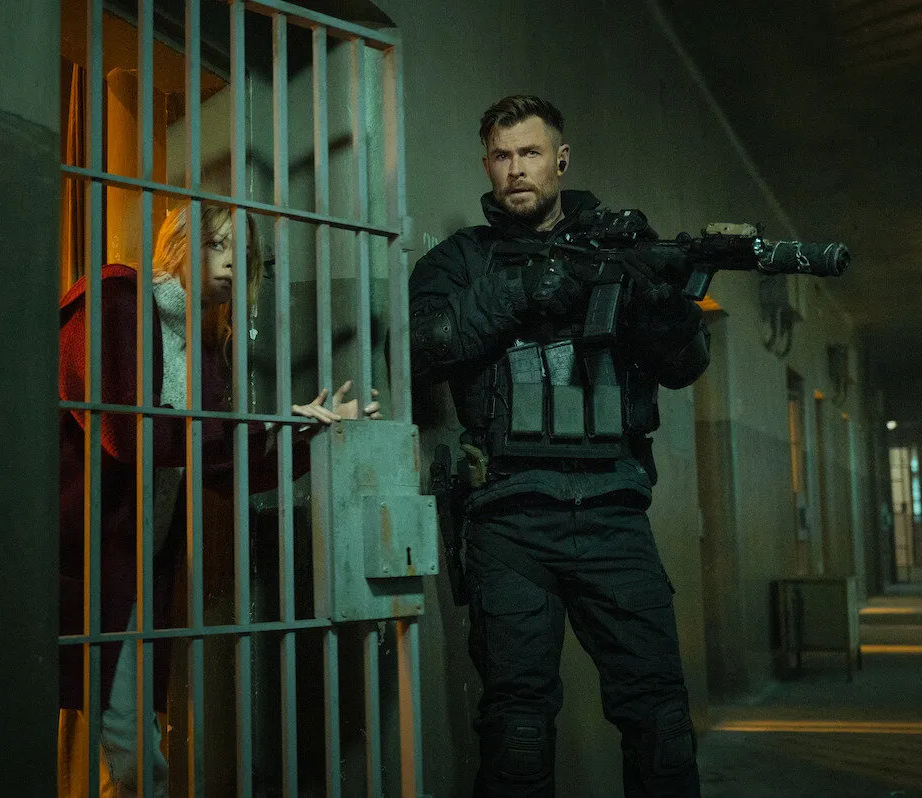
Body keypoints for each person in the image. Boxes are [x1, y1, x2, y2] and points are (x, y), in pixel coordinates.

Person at [410, 95, 708, 797]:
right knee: (516, 728)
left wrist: (659, 303)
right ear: (486, 165)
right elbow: (423, 346)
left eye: (531, 153)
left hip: (613, 510)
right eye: (502, 155)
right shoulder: (460, 261)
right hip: (509, 518)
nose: (516, 169)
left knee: (661, 719)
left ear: (561, 161)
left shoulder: (623, 250)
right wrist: (518, 290)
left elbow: (685, 364)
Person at [57, 202, 380, 798]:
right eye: (217, 244)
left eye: (244, 252)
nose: (233, 262)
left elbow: (222, 464)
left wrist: (308, 434)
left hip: (135, 566)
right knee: (129, 751)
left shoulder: (203, 349)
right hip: (76, 560)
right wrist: (256, 426)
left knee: (126, 742)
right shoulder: (115, 300)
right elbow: (124, 431)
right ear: (179, 246)